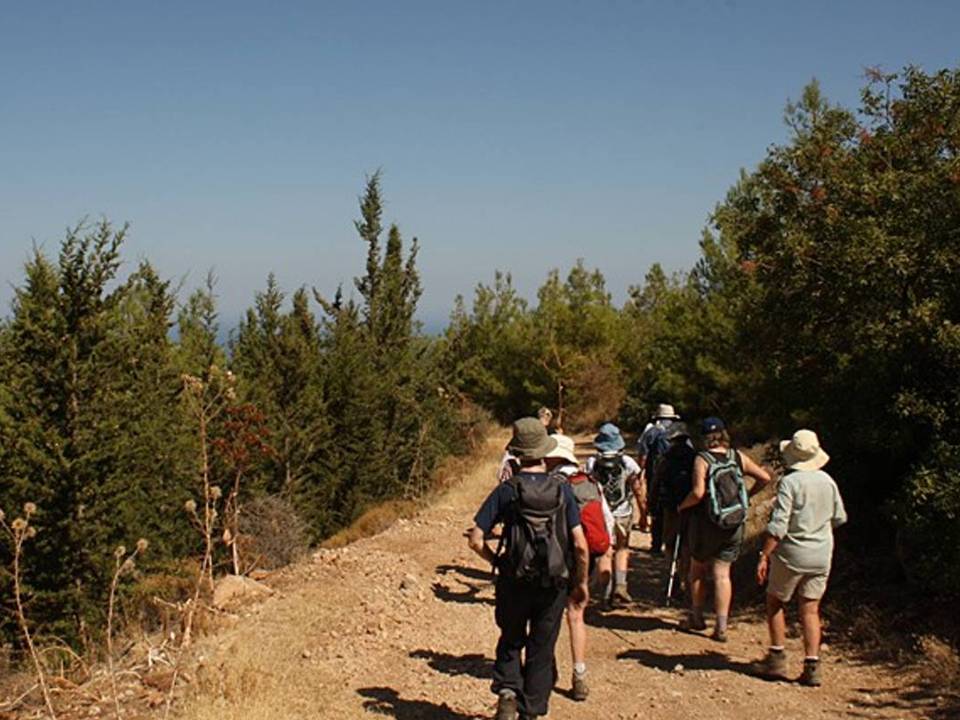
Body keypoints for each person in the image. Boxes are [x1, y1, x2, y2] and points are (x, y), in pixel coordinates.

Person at [468, 418, 590, 720]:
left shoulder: (507, 490)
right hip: (554, 582)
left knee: (511, 636)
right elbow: (581, 545)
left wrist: (496, 561)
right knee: (542, 646)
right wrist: (580, 581)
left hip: (514, 578)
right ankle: (531, 711)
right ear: (544, 453)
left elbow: (475, 539)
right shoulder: (563, 491)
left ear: (518, 454)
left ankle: (508, 691)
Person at [756, 429, 847, 686]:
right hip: (822, 553)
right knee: (810, 609)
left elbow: (778, 526)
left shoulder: (790, 482)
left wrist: (764, 554)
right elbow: (840, 517)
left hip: (792, 553)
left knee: (775, 601)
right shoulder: (828, 481)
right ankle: (812, 664)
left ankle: (777, 657)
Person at [677, 417, 771, 642]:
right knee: (722, 574)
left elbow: (698, 493)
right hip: (734, 523)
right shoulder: (737, 456)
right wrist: (746, 497)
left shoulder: (702, 459)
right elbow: (765, 477)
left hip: (706, 524)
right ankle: (721, 627)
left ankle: (697, 617)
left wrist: (682, 505)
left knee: (698, 569)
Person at [544, 434, 613, 702]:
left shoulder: (551, 483)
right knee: (576, 615)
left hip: (556, 558)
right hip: (585, 558)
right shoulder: (590, 481)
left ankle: (547, 670)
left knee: (548, 616)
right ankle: (580, 674)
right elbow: (605, 521)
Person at [585, 422, 641, 606]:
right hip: (623, 511)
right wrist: (643, 510)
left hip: (601, 513)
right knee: (623, 548)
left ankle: (606, 593)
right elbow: (637, 488)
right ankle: (621, 586)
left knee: (605, 551)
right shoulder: (627, 462)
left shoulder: (592, 462)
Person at [654, 421, 696, 602]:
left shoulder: (666, 457)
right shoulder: (694, 456)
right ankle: (687, 583)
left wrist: (652, 504)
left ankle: (671, 583)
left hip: (671, 507)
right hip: (691, 507)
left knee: (670, 546)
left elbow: (657, 481)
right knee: (687, 546)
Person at [637, 403, 681, 552]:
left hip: (656, 474)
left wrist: (640, 471)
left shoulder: (652, 431)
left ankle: (656, 545)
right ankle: (674, 545)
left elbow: (643, 454)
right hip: (678, 476)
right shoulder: (680, 431)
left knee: (656, 508)